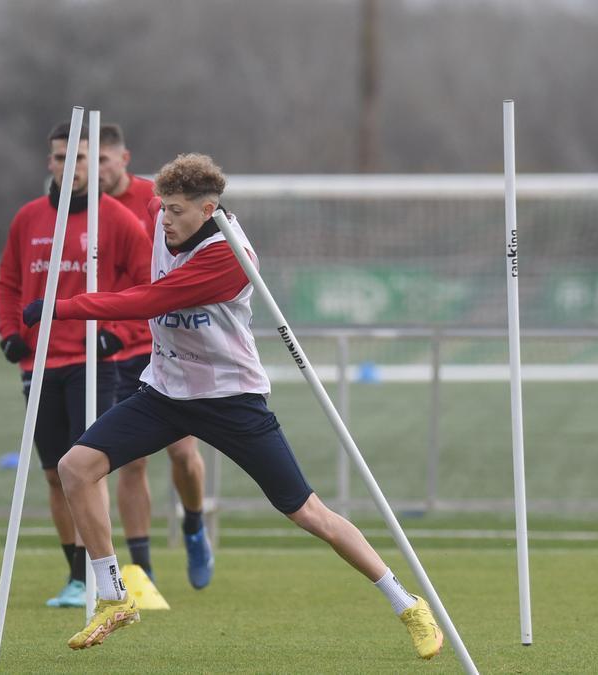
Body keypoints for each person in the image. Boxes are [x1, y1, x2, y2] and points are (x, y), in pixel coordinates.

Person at [22, 153, 444, 659]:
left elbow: (147, 301)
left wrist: (60, 308)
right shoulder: (162, 220)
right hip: (165, 392)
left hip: (230, 398)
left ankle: (406, 602)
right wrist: (96, 172)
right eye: (163, 208)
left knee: (308, 513)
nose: (166, 219)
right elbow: (129, 195)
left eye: (177, 210)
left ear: (208, 210)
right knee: (75, 468)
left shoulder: (230, 255)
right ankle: (114, 596)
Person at [0, 122, 152, 608]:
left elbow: (148, 287)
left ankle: (102, 571)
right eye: (61, 158)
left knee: (87, 470)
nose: (70, 167)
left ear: (96, 162)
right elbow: (7, 283)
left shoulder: (118, 219)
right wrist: (9, 335)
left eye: (80, 158)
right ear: (50, 163)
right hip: (40, 364)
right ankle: (75, 574)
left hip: (93, 363)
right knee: (50, 473)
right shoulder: (27, 219)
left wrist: (117, 335)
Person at [99, 123, 213, 588]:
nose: (87, 169)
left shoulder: (158, 201)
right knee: (130, 459)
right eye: (72, 160)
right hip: (118, 349)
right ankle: (141, 569)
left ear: (122, 159)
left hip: (167, 346)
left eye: (98, 159)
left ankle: (193, 523)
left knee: (183, 454)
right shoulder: (81, 211)